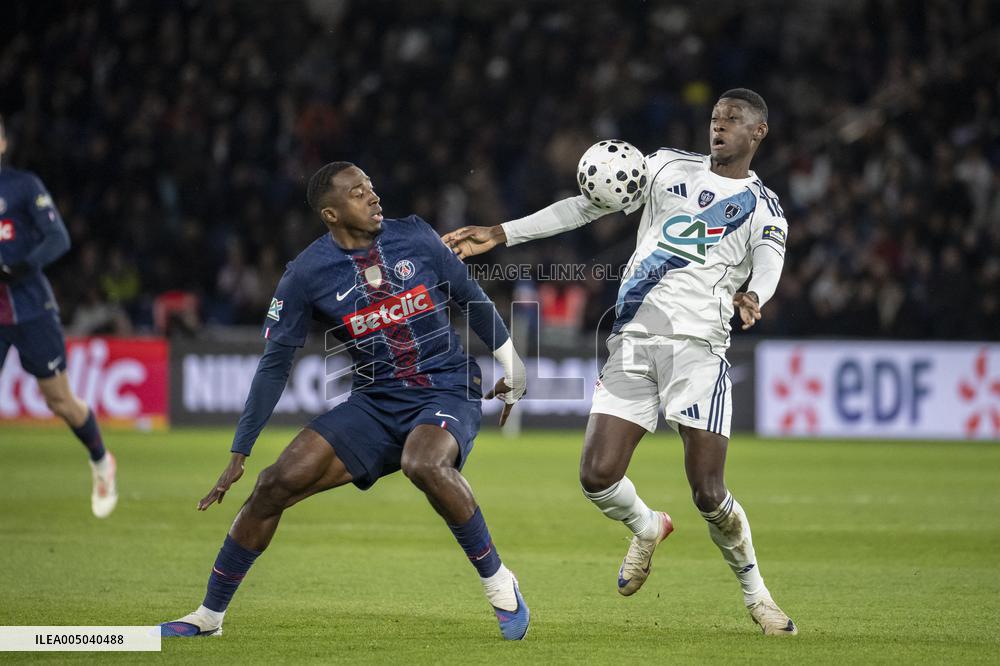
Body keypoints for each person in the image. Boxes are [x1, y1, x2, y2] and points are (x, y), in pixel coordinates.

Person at [443, 89, 796, 635]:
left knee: (707, 491)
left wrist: (756, 296)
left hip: (698, 350)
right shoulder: (662, 168)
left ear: (759, 132)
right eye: (715, 117)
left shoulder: (764, 206)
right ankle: (648, 526)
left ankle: (758, 596)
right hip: (633, 340)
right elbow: (583, 208)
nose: (720, 126)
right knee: (597, 476)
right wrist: (500, 233)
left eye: (734, 119)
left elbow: (770, 262)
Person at [160, 162, 530, 640]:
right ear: (331, 213)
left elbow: (471, 297)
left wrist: (514, 368)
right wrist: (240, 450)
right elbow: (275, 363)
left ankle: (500, 584)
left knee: (425, 463)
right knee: (274, 485)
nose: (374, 197)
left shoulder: (415, 236)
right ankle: (209, 618)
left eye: (372, 187)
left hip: (446, 385)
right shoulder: (307, 273)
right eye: (358, 193)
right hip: (375, 402)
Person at [0, 114, 118, 518]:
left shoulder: (22, 186)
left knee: (60, 402)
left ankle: (102, 461)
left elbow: (58, 238)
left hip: (30, 306)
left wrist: (18, 268)